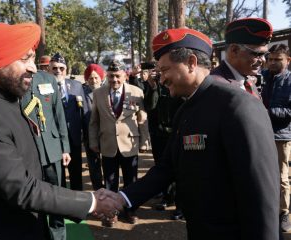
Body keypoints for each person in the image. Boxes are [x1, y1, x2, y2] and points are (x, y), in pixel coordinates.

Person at [98, 28, 280, 239]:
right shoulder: (185, 109)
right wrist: (123, 198)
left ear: (192, 63)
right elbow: (167, 167)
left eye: (165, 69)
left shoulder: (238, 106)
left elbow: (261, 193)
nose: (162, 78)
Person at [0, 22, 121, 240]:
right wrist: (92, 201)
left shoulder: (4, 98)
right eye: (24, 58)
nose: (33, 67)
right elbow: (21, 189)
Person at [89, 59, 149, 227]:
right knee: (110, 181)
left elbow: (142, 118)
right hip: (107, 144)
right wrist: (93, 141)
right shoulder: (98, 93)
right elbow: (94, 121)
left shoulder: (136, 92)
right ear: (107, 76)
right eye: (111, 76)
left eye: (117, 76)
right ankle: (111, 212)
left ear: (125, 75)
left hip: (129, 143)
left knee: (131, 180)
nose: (114, 80)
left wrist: (144, 141)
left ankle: (131, 209)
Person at [21, 68, 71, 239]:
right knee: (35, 196)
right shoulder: (16, 79)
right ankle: (40, 233)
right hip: (30, 150)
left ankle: (58, 234)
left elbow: (59, 114)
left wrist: (65, 147)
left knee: (56, 195)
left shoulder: (48, 78)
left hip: (53, 149)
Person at [143, 67, 184, 217]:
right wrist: (153, 87)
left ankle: (181, 206)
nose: (162, 75)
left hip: (176, 132)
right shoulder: (154, 85)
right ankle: (167, 197)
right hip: (158, 133)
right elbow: (150, 106)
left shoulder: (178, 83)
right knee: (162, 165)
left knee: (179, 169)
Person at [262, 43, 291, 232]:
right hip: (262, 133)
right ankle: (267, 209)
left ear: (288, 60)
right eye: (270, 59)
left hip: (281, 136)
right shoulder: (263, 78)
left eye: (277, 60)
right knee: (264, 174)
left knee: (281, 178)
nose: (272, 63)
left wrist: (265, 112)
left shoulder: (289, 81)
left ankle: (283, 213)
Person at [49, 53, 88, 191]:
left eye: (61, 68)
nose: (58, 71)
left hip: (74, 137)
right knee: (58, 175)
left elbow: (85, 113)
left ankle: (79, 206)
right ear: (49, 69)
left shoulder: (77, 86)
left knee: (76, 173)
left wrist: (88, 137)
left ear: (66, 69)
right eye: (54, 68)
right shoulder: (44, 87)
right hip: (54, 139)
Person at [211, 18, 272, 98]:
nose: (263, 60)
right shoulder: (215, 85)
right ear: (234, 50)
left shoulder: (249, 81)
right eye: (257, 54)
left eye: (264, 54)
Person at [82, 63, 105, 190]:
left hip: (107, 133)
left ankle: (109, 188)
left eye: (96, 77)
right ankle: (98, 189)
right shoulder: (81, 92)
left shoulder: (108, 90)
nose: (94, 80)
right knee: (93, 164)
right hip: (89, 134)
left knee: (108, 163)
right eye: (91, 78)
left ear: (101, 78)